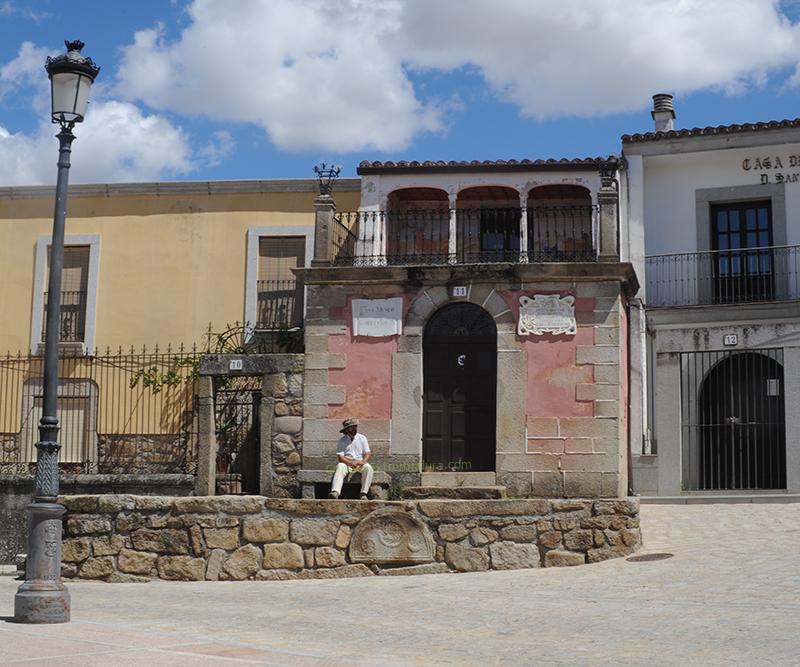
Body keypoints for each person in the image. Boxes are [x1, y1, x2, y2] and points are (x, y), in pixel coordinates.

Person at [328, 418, 373, 500]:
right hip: (347, 463)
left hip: (360, 463)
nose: (354, 428)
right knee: (340, 466)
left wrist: (363, 461)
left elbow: (367, 452)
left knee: (368, 468)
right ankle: (335, 492)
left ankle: (363, 493)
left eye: (355, 426)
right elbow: (340, 457)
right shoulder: (342, 441)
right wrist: (350, 463)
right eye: (352, 427)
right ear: (347, 429)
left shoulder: (362, 438)